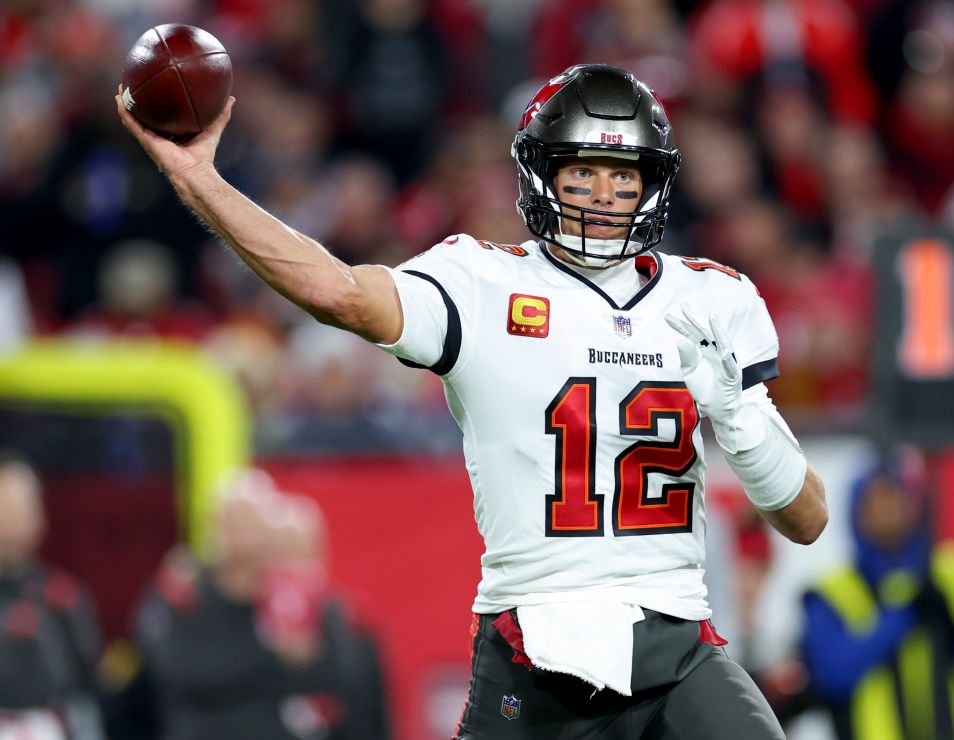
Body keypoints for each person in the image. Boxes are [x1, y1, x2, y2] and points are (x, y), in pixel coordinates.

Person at [116, 63, 828, 739]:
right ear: (541, 174)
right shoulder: (481, 283)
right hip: (537, 642)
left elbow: (805, 520)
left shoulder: (712, 298)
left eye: (624, 173)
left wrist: (738, 412)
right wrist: (199, 180)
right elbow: (337, 292)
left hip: (678, 642)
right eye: (583, 170)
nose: (606, 192)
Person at [120, 470, 391, 740]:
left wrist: (307, 658)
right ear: (215, 528)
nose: (246, 538)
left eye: (255, 526)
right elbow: (179, 671)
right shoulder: (182, 594)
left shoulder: (294, 603)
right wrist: (279, 662)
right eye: (236, 524)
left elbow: (344, 684)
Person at [800, 458, 954, 740]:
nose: (888, 511)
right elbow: (833, 674)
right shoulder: (831, 591)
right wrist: (906, 614)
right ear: (856, 511)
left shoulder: (950, 573)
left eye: (896, 498)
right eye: (876, 501)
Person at [0, 452, 105, 740]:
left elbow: (90, 685)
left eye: (18, 507)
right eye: (2, 506)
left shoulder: (63, 596)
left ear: (39, 517)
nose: (8, 520)